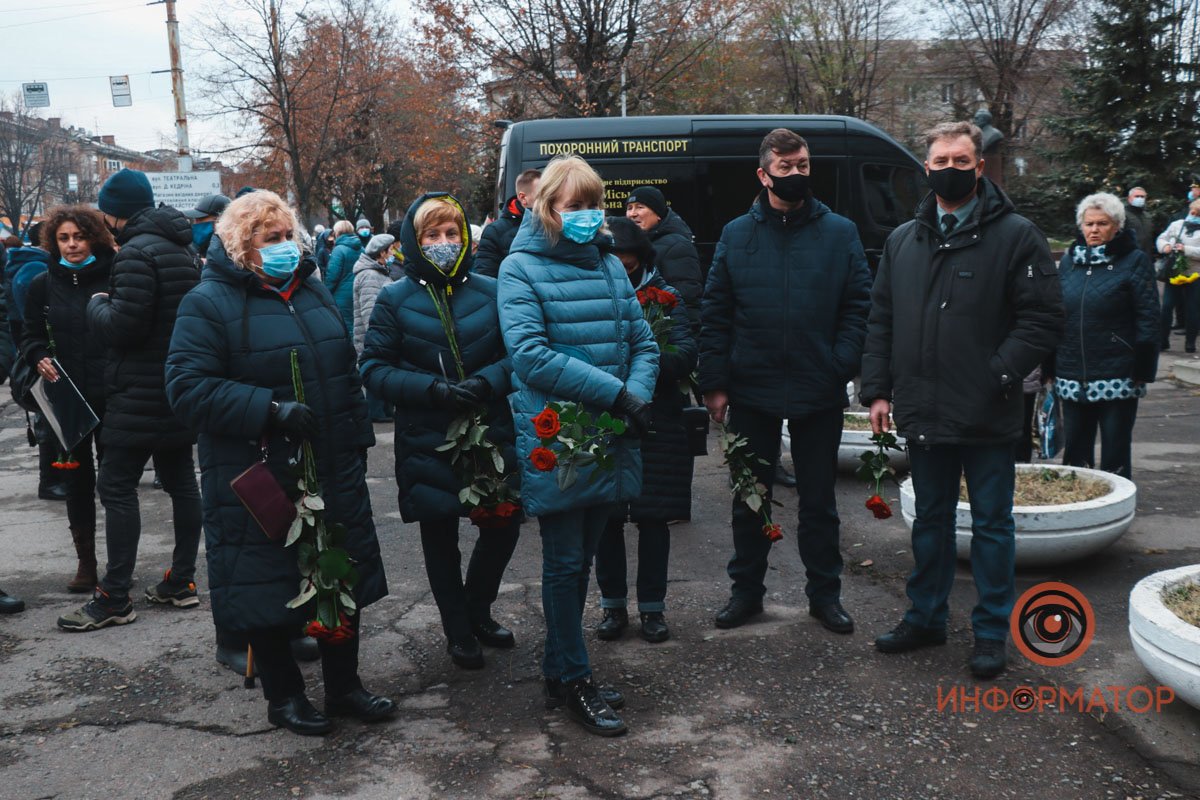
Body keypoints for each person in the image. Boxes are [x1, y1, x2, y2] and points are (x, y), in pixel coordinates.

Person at [165, 190, 392, 736]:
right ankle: (284, 697)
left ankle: (344, 687)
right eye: (271, 240)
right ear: (244, 246)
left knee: (339, 575)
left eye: (288, 236)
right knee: (267, 587)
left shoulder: (312, 290)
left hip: (331, 464)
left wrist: (357, 443)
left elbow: (342, 372)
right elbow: (186, 389)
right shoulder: (208, 302)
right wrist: (268, 410)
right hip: (259, 471)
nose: (285, 247)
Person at [860, 121, 1064, 679]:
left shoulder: (1018, 235)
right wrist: (876, 390)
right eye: (940, 159)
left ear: (979, 166)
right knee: (930, 521)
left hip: (987, 409)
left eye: (961, 159)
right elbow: (881, 319)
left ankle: (991, 631)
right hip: (924, 410)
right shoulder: (904, 240)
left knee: (993, 525)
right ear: (926, 168)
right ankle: (925, 617)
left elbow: (1042, 319)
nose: (950, 167)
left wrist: (996, 373)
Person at [498, 154, 658, 737]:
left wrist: (634, 397)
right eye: (576, 206)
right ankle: (576, 680)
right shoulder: (520, 269)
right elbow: (530, 356)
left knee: (584, 558)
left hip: (611, 432)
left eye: (595, 204)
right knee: (566, 565)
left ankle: (557, 670)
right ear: (547, 209)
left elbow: (643, 340)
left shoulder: (610, 263)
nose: (589, 216)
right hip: (559, 436)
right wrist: (620, 397)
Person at [699, 128, 871, 635]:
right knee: (749, 497)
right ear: (763, 173)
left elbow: (859, 305)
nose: (795, 175)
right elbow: (716, 312)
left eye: (803, 166)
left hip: (818, 388)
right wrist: (715, 381)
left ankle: (825, 596)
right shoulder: (737, 234)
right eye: (785, 167)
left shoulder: (840, 232)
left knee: (819, 502)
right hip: (753, 386)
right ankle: (746, 593)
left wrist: (840, 363)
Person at [361, 193, 520, 671]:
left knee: (503, 525)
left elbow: (519, 355)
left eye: (452, 233)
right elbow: (374, 369)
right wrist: (433, 390)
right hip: (427, 435)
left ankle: (478, 609)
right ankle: (458, 629)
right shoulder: (394, 297)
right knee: (440, 534)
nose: (444, 242)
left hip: (488, 430)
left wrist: (487, 382)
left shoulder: (492, 290)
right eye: (433, 235)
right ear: (415, 240)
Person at [57, 169, 204, 633]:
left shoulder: (137, 252)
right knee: (182, 482)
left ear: (115, 212)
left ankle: (114, 596)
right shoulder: (181, 246)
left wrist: (98, 303)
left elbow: (125, 327)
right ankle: (181, 581)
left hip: (139, 392)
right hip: (177, 386)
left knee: (116, 487)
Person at [593, 217, 696, 644]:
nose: (622, 268)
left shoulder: (667, 298)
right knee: (607, 522)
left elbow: (687, 353)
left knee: (654, 520)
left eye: (629, 263)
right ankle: (612, 608)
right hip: (606, 416)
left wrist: (648, 359)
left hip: (659, 421)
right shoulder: (592, 295)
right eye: (614, 260)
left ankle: (653, 609)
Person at [20, 206, 116, 593]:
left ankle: (119, 564)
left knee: (115, 484)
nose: (72, 244)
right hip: (69, 397)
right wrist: (37, 354)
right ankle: (86, 564)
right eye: (64, 238)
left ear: (92, 236)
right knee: (77, 484)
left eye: (78, 236)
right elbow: (27, 333)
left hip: (113, 394)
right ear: (53, 242)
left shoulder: (115, 275)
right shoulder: (42, 284)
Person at [1047, 193, 1160, 479]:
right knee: (1075, 450)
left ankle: (1116, 503)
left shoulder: (1134, 261)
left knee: (1115, 448)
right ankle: (1075, 503)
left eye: (1102, 223)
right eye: (1089, 224)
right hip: (1071, 371)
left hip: (1118, 372)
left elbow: (1148, 316)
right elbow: (1055, 315)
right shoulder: (1070, 262)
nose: (1094, 230)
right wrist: (1049, 364)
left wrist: (1144, 367)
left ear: (1117, 226)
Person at [4, 223, 66, 502]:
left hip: (36, 353)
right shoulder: (34, 270)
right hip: (38, 356)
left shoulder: (30, 265)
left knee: (54, 418)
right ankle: (50, 481)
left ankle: (57, 477)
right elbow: (33, 319)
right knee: (47, 419)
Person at [625, 185, 703, 336]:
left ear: (658, 214)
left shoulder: (677, 245)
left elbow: (688, 300)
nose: (632, 214)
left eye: (640, 207)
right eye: (629, 208)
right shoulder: (637, 246)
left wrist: (685, 343)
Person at [352, 233, 396, 422]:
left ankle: (384, 409)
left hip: (379, 334)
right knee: (375, 371)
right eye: (391, 250)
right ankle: (376, 411)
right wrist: (379, 332)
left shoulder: (378, 272)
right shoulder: (370, 276)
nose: (394, 253)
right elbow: (369, 310)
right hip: (372, 336)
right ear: (381, 253)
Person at [475, 168, 540, 278]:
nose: (550, 199)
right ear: (523, 198)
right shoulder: (495, 232)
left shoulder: (554, 224)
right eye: (542, 195)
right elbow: (485, 279)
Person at [1157, 199, 1200, 354]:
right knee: (1167, 307)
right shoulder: (1178, 224)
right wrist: (1165, 247)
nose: (1194, 216)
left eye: (1198, 214)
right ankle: (1162, 341)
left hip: (1195, 275)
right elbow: (1161, 238)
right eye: (1192, 212)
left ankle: (1190, 343)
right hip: (1174, 273)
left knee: (1192, 309)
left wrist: (1185, 249)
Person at [324, 220, 362, 334]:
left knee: (345, 326)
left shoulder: (339, 250)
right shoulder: (361, 248)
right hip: (358, 291)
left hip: (342, 295)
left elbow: (332, 276)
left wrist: (325, 294)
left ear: (337, 233)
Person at [183, 193, 231, 261]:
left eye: (201, 218)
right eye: (195, 219)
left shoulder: (233, 250)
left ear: (219, 221)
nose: (196, 223)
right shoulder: (191, 247)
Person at [1123, 187, 1155, 259]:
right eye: (1137, 196)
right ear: (1129, 198)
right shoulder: (1123, 215)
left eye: (1142, 197)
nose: (1140, 198)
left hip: (1146, 257)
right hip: (1129, 257)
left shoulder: (1147, 216)